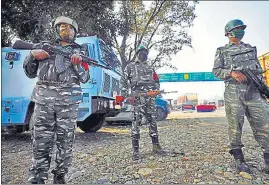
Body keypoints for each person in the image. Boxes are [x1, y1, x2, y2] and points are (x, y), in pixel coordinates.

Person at [23, 16, 90, 184]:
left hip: (67, 105)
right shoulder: (44, 47)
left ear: (75, 32)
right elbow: (30, 73)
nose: (65, 31)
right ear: (57, 30)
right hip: (44, 102)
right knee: (40, 142)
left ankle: (60, 177)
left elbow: (85, 78)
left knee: (65, 143)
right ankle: (37, 178)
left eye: (69, 28)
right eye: (62, 28)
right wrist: (32, 55)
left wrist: (77, 64)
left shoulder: (81, 51)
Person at [212, 19, 269, 174]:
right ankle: (239, 159)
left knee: (264, 124)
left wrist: (262, 85)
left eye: (242, 28)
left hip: (254, 92)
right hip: (234, 93)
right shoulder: (222, 51)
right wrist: (231, 73)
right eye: (237, 28)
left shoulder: (251, 49)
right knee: (235, 126)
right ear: (229, 33)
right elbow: (216, 71)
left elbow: (258, 69)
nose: (241, 31)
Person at [120, 45, 166, 161]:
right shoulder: (130, 66)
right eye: (141, 52)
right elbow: (123, 81)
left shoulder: (150, 67)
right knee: (136, 122)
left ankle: (156, 147)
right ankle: (136, 151)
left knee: (152, 121)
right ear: (137, 54)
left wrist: (156, 91)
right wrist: (128, 95)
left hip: (150, 98)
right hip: (137, 98)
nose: (144, 54)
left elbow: (156, 80)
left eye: (145, 52)